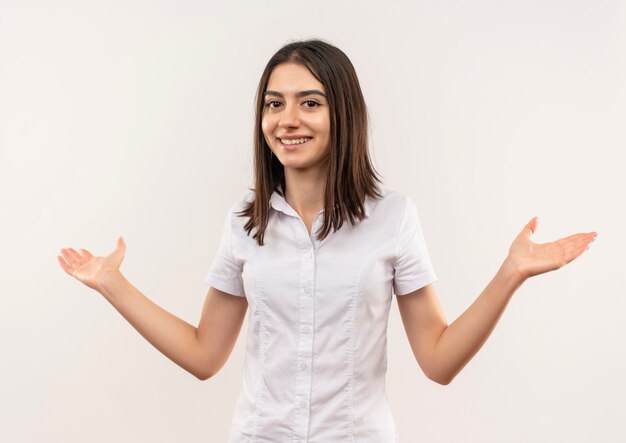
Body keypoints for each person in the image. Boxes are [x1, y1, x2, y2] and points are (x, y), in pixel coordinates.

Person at [57, 38, 597, 442]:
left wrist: (511, 274)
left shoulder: (393, 218)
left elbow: (438, 360)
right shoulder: (246, 225)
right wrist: (112, 283)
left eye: (309, 102)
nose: (287, 119)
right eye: (274, 103)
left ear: (343, 113)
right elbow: (204, 354)